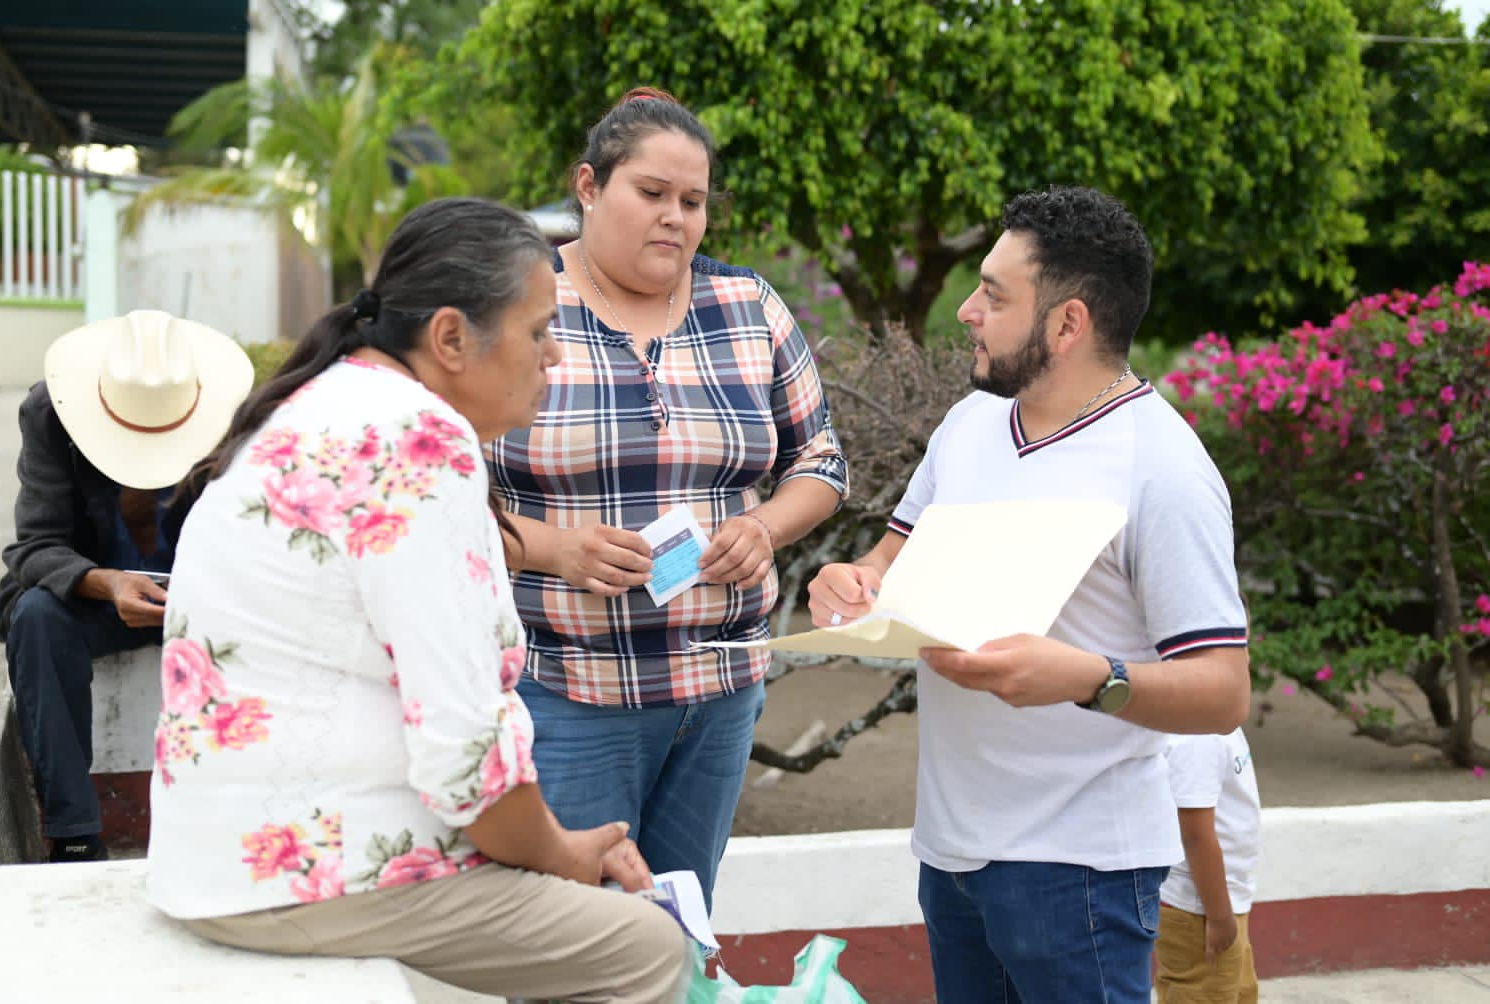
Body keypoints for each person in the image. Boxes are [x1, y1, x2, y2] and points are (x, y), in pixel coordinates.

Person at [145, 198, 689, 1002]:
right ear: (449, 338)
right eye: (538, 331)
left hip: (223, 856)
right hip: (297, 876)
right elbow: (467, 761)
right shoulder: (420, 444)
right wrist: (567, 855)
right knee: (645, 944)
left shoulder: (327, 403)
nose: (556, 358)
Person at [805, 186, 1251, 1003]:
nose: (968, 310)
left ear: (1068, 323)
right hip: (951, 854)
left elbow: (1222, 693)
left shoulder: (1166, 467)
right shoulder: (969, 425)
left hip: (1081, 874)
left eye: (994, 294)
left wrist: (1088, 678)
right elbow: (886, 564)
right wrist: (851, 583)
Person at [486, 87, 849, 910]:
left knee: (679, 931)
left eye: (693, 202)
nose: (675, 219)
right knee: (573, 943)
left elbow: (822, 461)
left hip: (721, 694)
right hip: (568, 690)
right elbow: (438, 499)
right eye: (650, 194)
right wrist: (555, 550)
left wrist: (763, 525)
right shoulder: (521, 305)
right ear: (588, 186)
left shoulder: (746, 306)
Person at [0, 310, 254, 863]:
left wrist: (207, 591)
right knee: (35, 617)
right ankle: (75, 834)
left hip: (209, 598)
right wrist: (103, 583)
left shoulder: (236, 420)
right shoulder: (49, 413)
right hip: (92, 599)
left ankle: (246, 816)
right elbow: (34, 546)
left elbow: (264, 535)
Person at [1155, 729, 1262, 1003]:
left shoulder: (1221, 724)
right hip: (1198, 909)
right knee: (1205, 992)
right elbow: (1196, 836)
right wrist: (1218, 917)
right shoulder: (1196, 737)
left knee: (1239, 992)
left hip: (1224, 902)